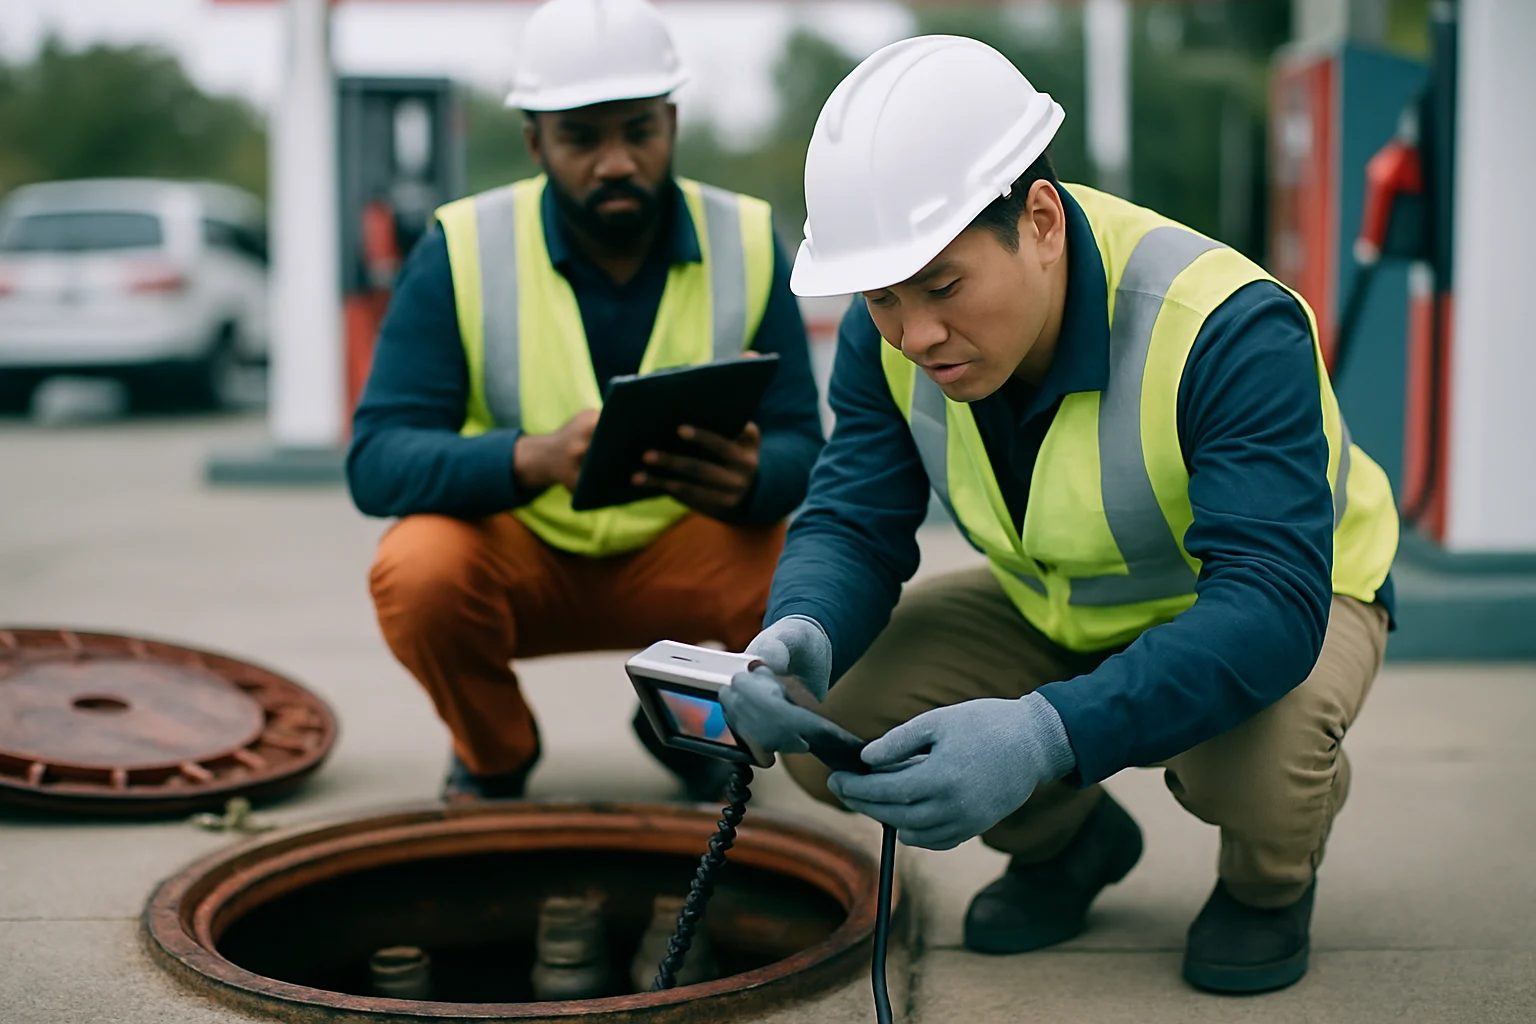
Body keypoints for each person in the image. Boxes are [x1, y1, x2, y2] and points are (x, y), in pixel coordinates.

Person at [721, 35, 1398, 995]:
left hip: (1288, 599)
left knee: (1248, 763)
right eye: (881, 298)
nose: (916, 334)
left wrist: (1041, 736)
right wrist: (799, 631)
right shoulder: (892, 344)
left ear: (1040, 219)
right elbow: (854, 516)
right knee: (841, 714)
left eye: (944, 286)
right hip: (1063, 607)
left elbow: (1267, 607)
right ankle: (1070, 847)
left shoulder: (1227, 327)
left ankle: (1267, 884)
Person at [347, 0, 823, 805]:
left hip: (681, 548)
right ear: (535, 141)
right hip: (521, 554)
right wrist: (528, 458)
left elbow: (805, 446)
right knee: (417, 569)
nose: (614, 163)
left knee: (804, 572)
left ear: (671, 122)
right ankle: (495, 751)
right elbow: (376, 460)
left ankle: (694, 726)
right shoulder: (461, 246)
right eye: (581, 138)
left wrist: (751, 480)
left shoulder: (744, 236)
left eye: (638, 132)